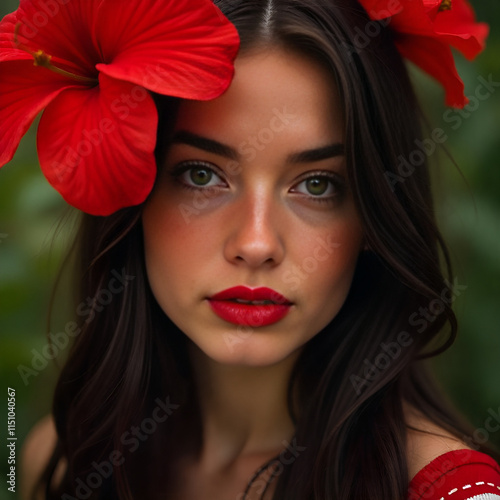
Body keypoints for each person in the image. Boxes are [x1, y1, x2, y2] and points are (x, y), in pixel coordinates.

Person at [0, 0, 498, 499]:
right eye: (201, 175)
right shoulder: (61, 459)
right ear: (132, 204)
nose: (256, 244)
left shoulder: (453, 489)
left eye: (319, 185)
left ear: (374, 216)